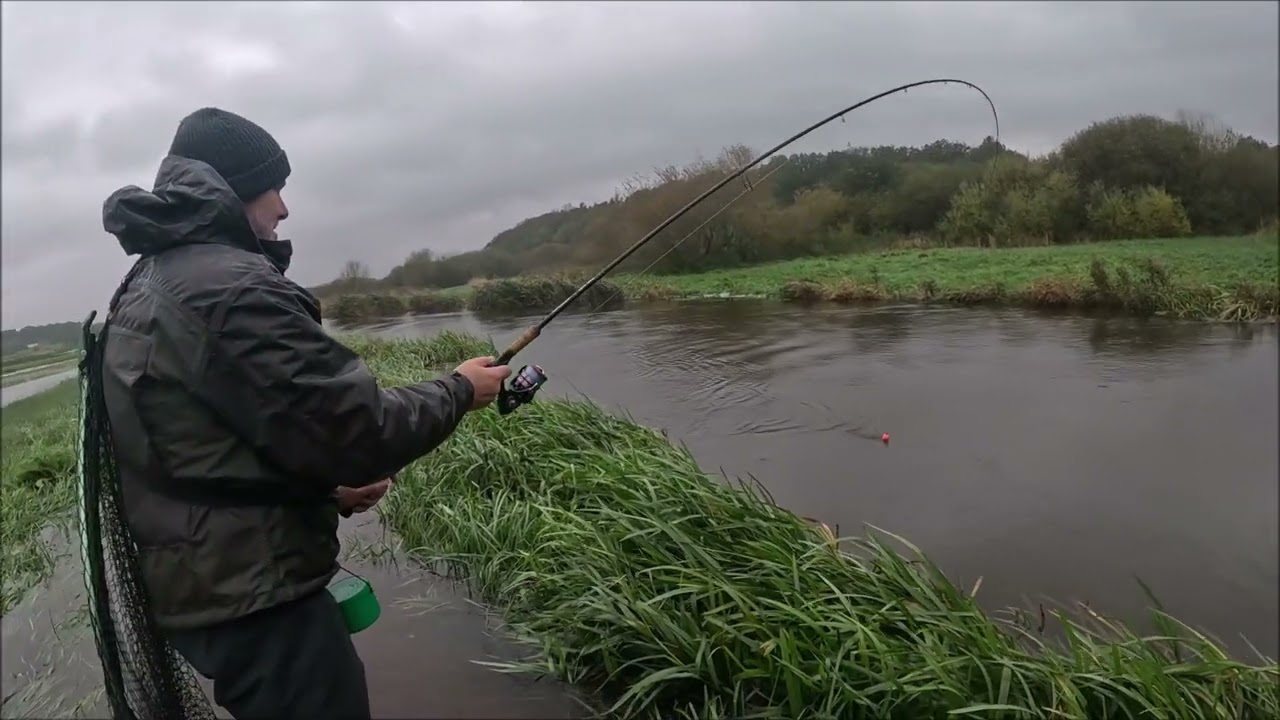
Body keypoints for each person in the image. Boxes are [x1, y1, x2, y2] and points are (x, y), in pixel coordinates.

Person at [97, 106, 511, 719]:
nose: (284, 208)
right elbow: (359, 431)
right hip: (260, 605)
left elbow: (195, 446)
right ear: (236, 190)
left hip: (208, 588)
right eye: (275, 188)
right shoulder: (229, 288)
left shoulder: (151, 280)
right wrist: (458, 389)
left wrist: (327, 496)